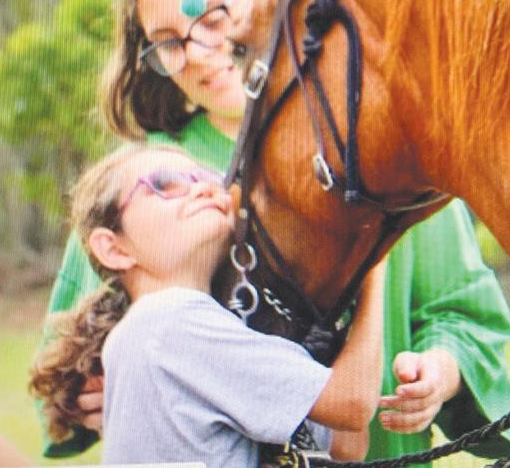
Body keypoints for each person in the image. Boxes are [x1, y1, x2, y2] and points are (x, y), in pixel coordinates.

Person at [37, 0, 510, 463]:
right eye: (167, 40)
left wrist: (441, 370)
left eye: (214, 17)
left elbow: (462, 314)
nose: (199, 52)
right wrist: (87, 395)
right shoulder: (142, 185)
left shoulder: (384, 154)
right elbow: (69, 368)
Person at [31, 145, 384, 466]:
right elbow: (352, 405)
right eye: (164, 183)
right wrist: (374, 265)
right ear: (114, 249)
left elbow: (346, 443)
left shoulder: (177, 330)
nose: (202, 188)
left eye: (209, 178)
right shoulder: (169, 322)